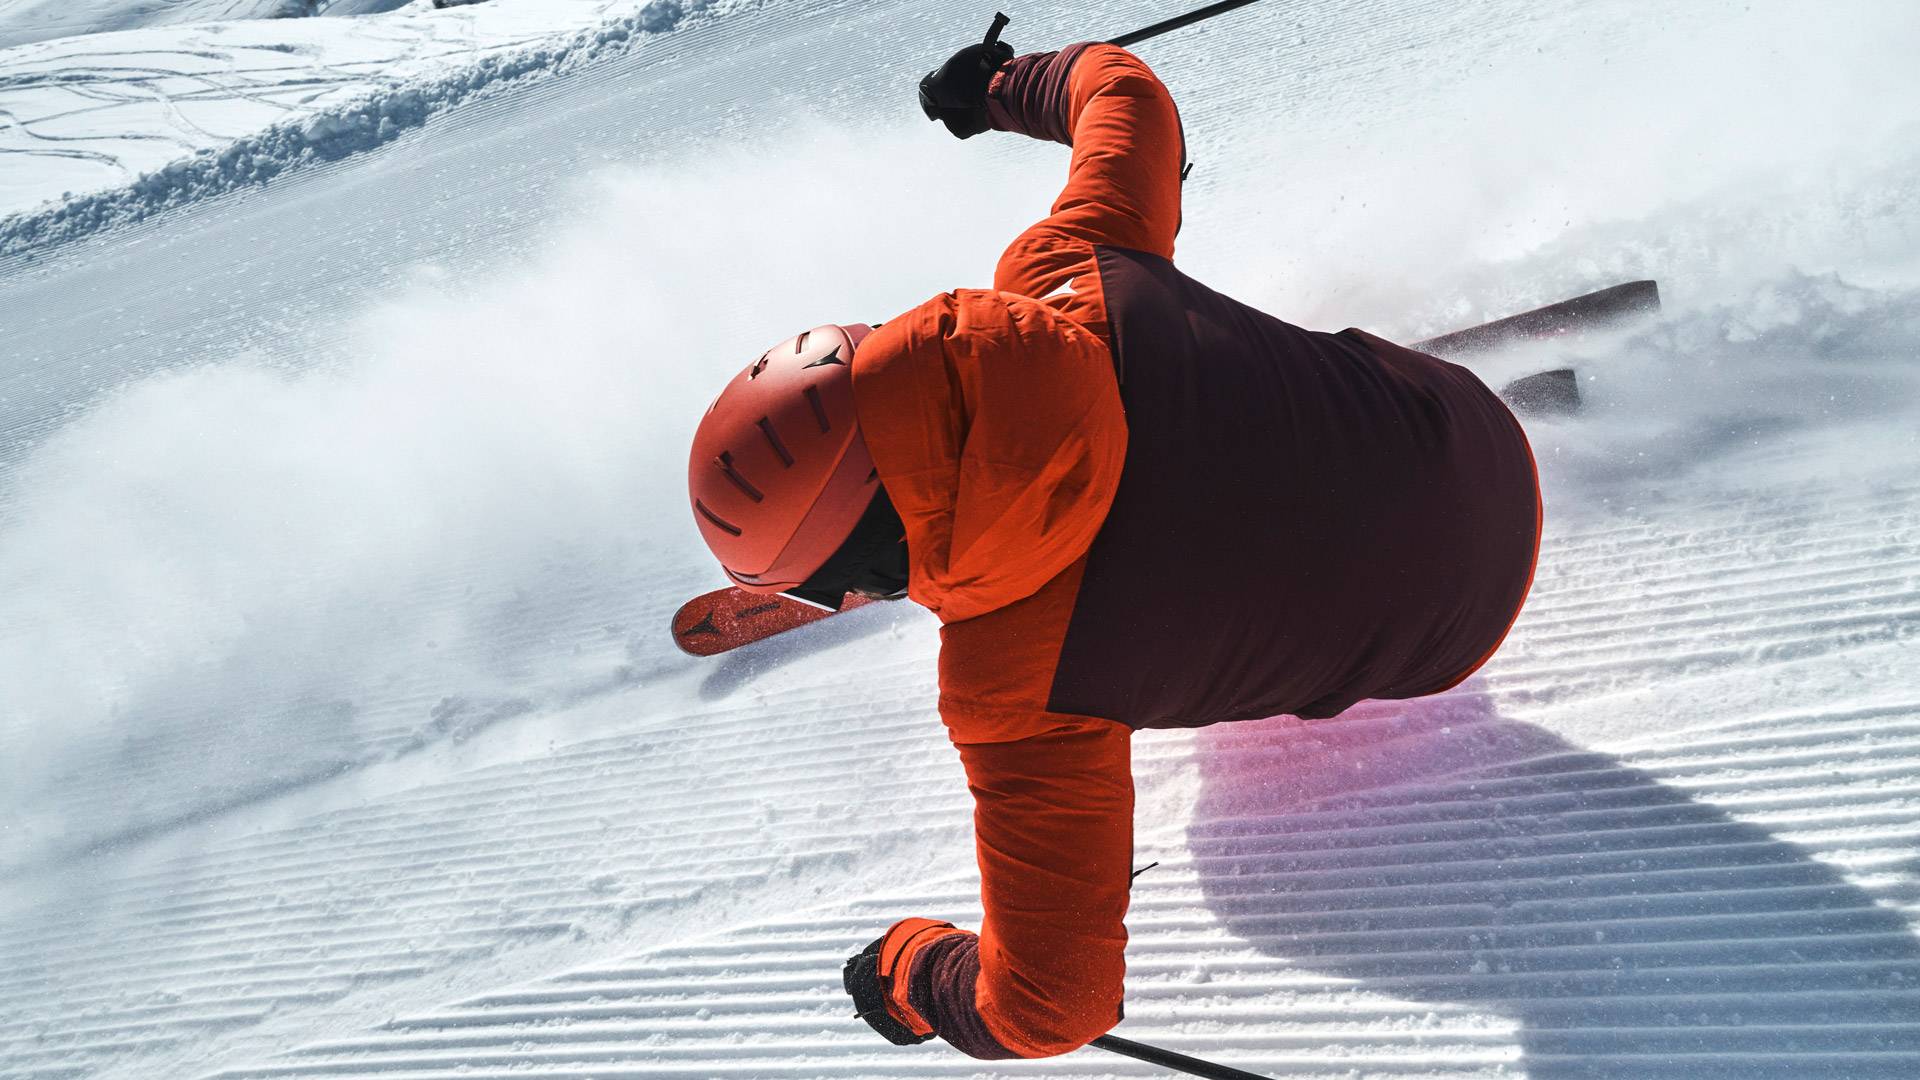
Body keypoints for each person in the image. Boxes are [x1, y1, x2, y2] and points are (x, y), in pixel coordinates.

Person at [685, 33, 1541, 1061]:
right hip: (1467, 426)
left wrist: (913, 973)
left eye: (837, 591)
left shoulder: (1013, 692)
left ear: (869, 565)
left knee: (1228, 874)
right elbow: (1125, 90)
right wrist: (1000, 89)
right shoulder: (1062, 271)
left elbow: (1050, 1010)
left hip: (1459, 629)